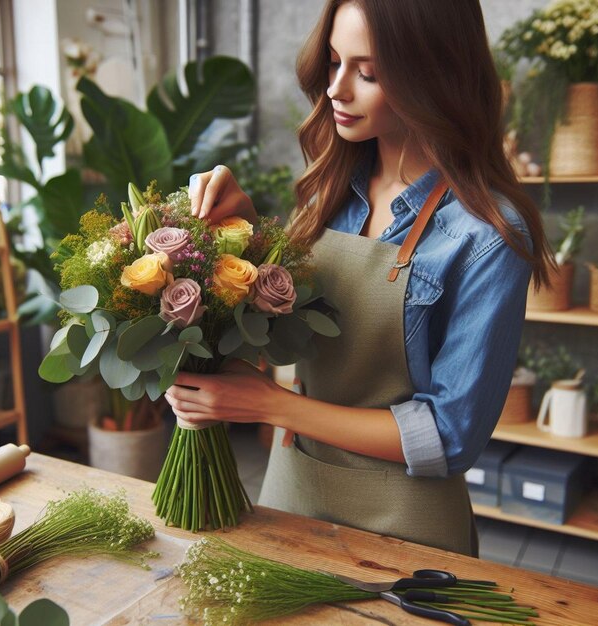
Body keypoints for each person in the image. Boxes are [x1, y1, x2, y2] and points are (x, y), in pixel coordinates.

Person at [164, 0, 554, 556]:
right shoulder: (330, 189)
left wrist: (270, 406)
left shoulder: (487, 235)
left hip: (408, 528)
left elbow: (449, 436)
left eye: (367, 73)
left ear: (435, 76)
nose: (336, 89)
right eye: (333, 63)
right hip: (292, 491)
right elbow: (295, 331)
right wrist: (242, 230)